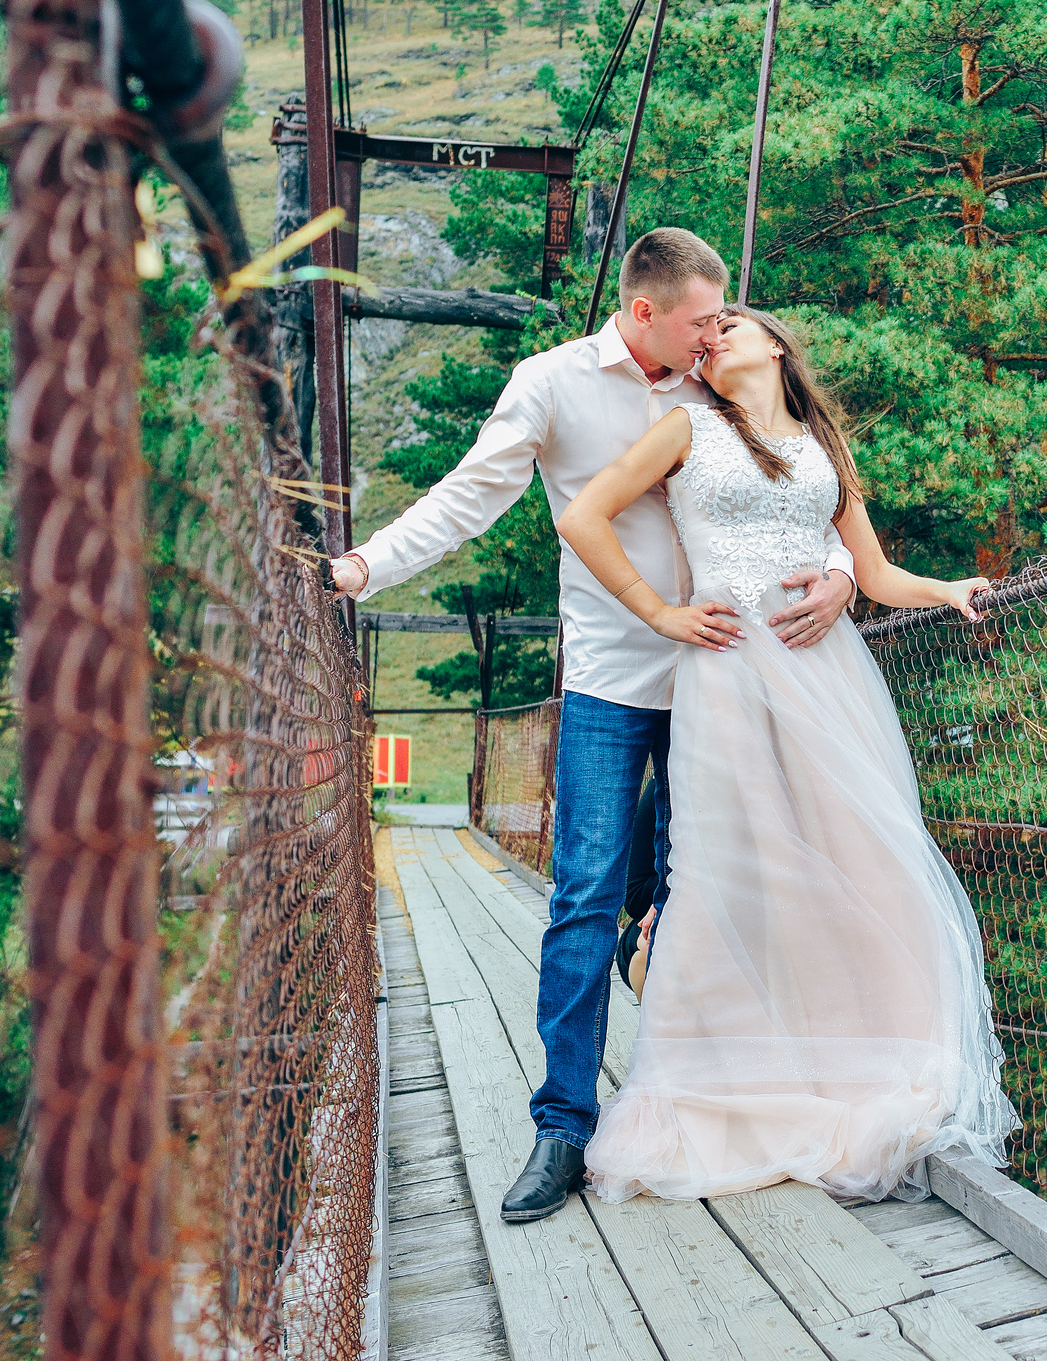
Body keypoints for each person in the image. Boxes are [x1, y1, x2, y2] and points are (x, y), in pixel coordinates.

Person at [325, 228, 861, 1224]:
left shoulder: (718, 380)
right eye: (704, 318)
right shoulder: (555, 383)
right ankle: (563, 1124)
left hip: (737, 683)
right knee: (580, 894)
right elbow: (466, 498)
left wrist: (836, 575)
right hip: (618, 681)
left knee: (720, 886)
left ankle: (706, 1086)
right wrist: (362, 568)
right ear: (646, 311)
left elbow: (804, 489)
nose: (722, 333)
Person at [555, 304, 1018, 1201]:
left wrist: (942, 587)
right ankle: (718, 1081)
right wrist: (661, 612)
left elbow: (873, 572)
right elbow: (584, 515)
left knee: (856, 859)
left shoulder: (821, 447)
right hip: (727, 675)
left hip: (827, 679)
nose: (712, 338)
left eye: (730, 325)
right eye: (704, 331)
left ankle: (854, 1064)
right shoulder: (687, 427)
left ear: (774, 344)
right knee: (734, 868)